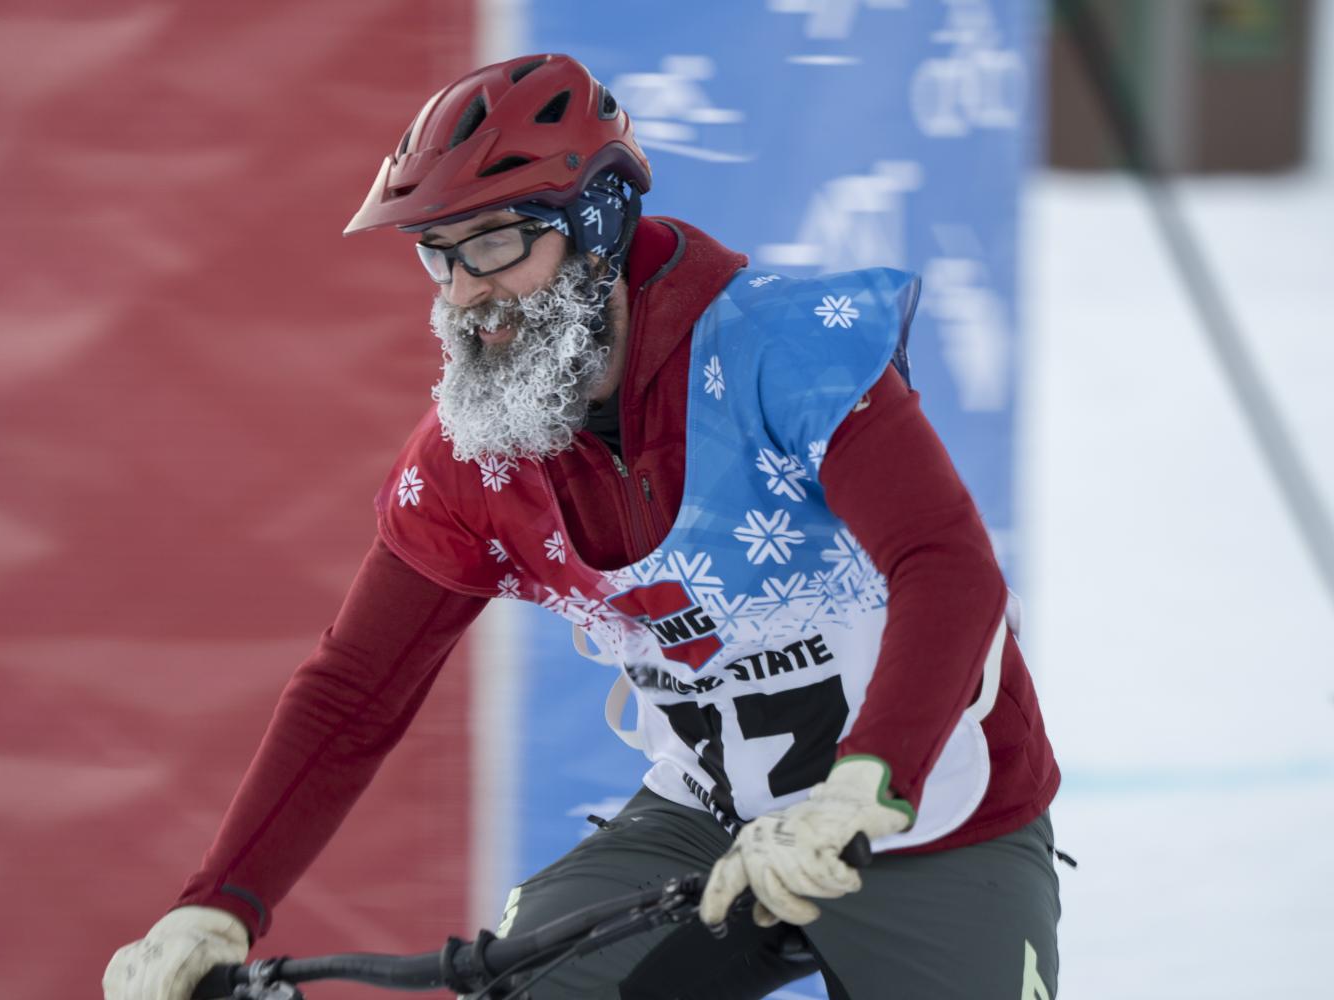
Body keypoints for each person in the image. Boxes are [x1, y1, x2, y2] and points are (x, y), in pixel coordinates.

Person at [103, 53, 1063, 1000]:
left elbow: (947, 569)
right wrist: (219, 904)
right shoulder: (473, 454)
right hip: (707, 820)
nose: (465, 289)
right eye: (439, 254)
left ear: (595, 225)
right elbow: (355, 690)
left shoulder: (785, 349)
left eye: (494, 244)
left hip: (930, 813)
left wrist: (864, 787)